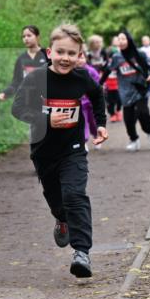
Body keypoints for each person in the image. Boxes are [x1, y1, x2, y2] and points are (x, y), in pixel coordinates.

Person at [11, 24, 108, 278]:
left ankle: (82, 253)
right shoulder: (36, 78)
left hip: (73, 150)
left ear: (79, 55)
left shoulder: (83, 78)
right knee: (58, 202)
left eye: (72, 53)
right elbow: (18, 108)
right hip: (44, 152)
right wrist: (46, 117)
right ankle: (61, 219)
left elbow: (97, 96)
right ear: (49, 52)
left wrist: (101, 125)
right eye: (60, 52)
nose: (66, 58)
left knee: (75, 195)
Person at [102, 30, 150, 151]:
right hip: (125, 92)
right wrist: (99, 84)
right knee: (129, 119)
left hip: (140, 89)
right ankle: (134, 140)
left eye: (123, 39)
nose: (120, 41)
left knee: (143, 112)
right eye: (119, 39)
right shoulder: (117, 57)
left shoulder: (140, 54)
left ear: (129, 40)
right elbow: (107, 70)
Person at [0, 25, 50, 101]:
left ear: (37, 37)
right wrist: (5, 93)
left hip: (46, 101)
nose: (26, 38)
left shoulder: (48, 55)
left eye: (29, 35)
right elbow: (17, 81)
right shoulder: (21, 59)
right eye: (23, 36)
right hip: (27, 101)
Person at [76, 50, 103, 151]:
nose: (79, 61)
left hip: (91, 103)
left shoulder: (91, 71)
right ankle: (84, 141)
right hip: (80, 104)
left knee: (93, 122)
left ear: (86, 59)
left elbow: (97, 85)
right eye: (77, 58)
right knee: (83, 123)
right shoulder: (71, 72)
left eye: (82, 58)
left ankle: (96, 136)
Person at [103, 35, 122, 122]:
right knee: (110, 102)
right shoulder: (106, 65)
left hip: (118, 85)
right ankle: (112, 114)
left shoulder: (119, 64)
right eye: (111, 58)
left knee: (119, 100)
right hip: (109, 86)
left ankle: (118, 111)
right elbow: (102, 74)